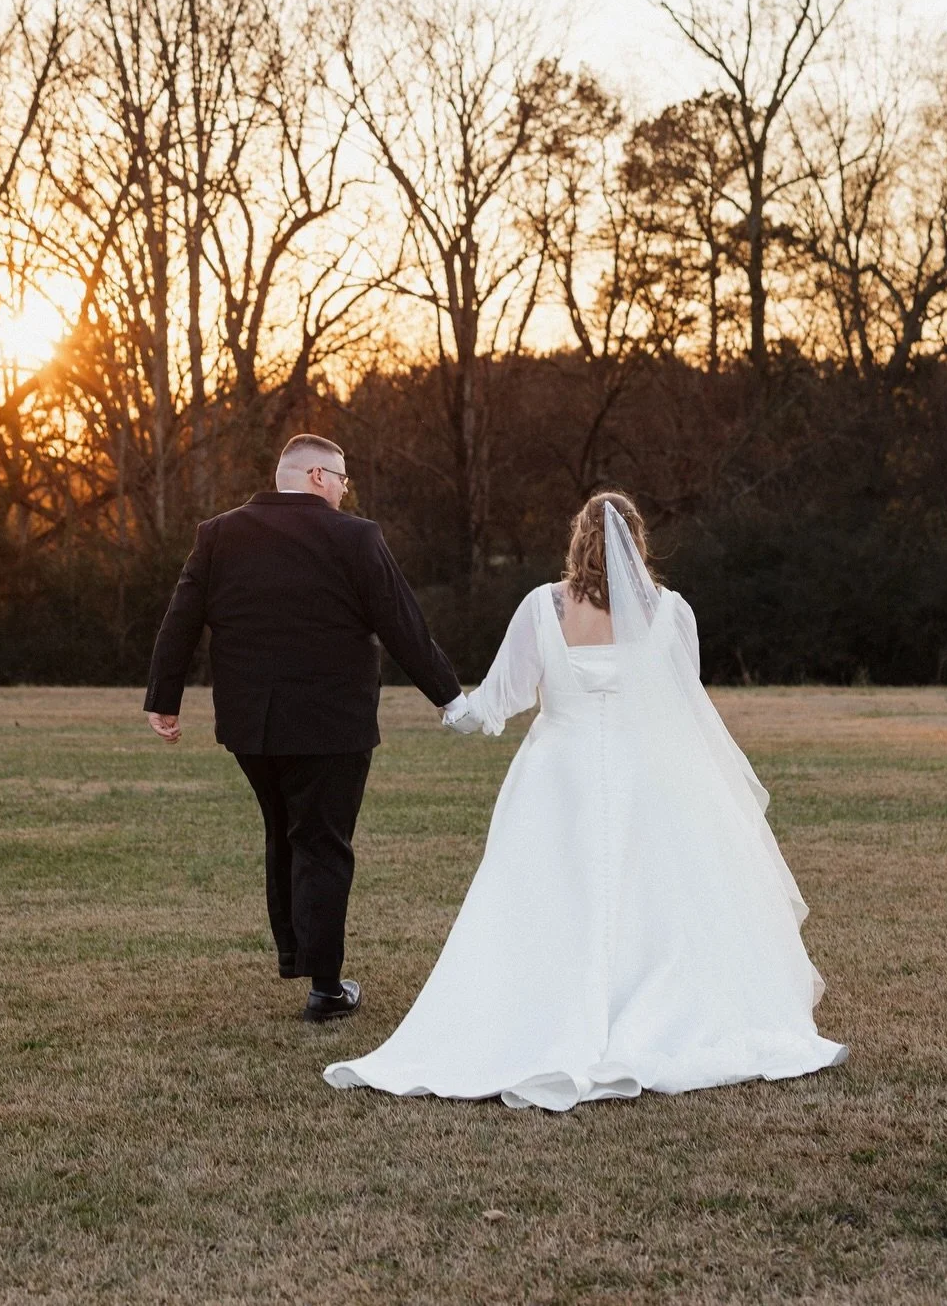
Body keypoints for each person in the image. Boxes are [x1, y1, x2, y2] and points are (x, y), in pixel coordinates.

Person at [325, 490, 847, 1108]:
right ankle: (662, 1010)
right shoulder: (671, 612)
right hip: (649, 776)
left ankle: (538, 1013)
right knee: (657, 894)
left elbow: (499, 699)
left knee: (549, 895)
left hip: (559, 777)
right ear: (639, 541)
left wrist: (453, 709)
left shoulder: (543, 607)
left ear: (577, 538)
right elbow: (681, 698)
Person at [145, 433, 468, 1022]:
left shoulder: (218, 534)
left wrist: (163, 700)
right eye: (343, 480)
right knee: (321, 840)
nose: (346, 492)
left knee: (285, 832)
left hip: (252, 725)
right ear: (318, 476)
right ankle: (325, 986)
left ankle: (299, 955)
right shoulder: (355, 537)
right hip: (331, 723)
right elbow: (401, 622)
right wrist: (449, 697)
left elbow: (181, 618)